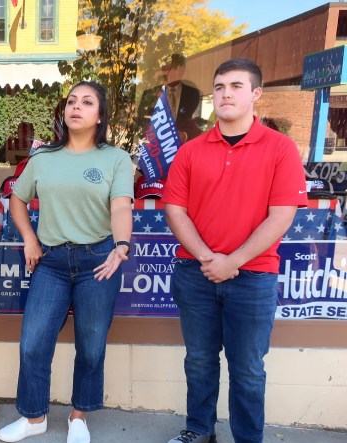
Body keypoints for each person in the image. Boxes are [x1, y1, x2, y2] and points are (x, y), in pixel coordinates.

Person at [162, 58, 307, 443]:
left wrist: (233, 261)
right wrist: (211, 260)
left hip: (254, 277)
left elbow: (281, 217)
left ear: (256, 93)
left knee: (247, 368)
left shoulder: (281, 149)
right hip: (196, 275)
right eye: (220, 86)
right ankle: (198, 431)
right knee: (199, 362)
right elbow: (174, 211)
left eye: (236, 86)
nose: (226, 93)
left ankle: (247, 438)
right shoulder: (191, 151)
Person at [0, 81, 134, 443]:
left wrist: (122, 245)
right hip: (52, 262)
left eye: (87, 102)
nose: (76, 107)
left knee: (91, 344)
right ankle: (34, 417)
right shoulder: (43, 158)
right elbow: (16, 199)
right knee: (33, 342)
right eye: (72, 101)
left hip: (98, 262)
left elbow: (120, 205)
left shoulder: (116, 159)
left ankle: (78, 417)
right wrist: (29, 239)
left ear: (100, 115)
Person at [139, 54, 202, 142]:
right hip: (155, 146)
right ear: (165, 69)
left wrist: (185, 135)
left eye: (182, 68)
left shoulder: (192, 93)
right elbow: (141, 121)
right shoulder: (150, 93)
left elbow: (191, 122)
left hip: (182, 146)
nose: (180, 71)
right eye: (175, 67)